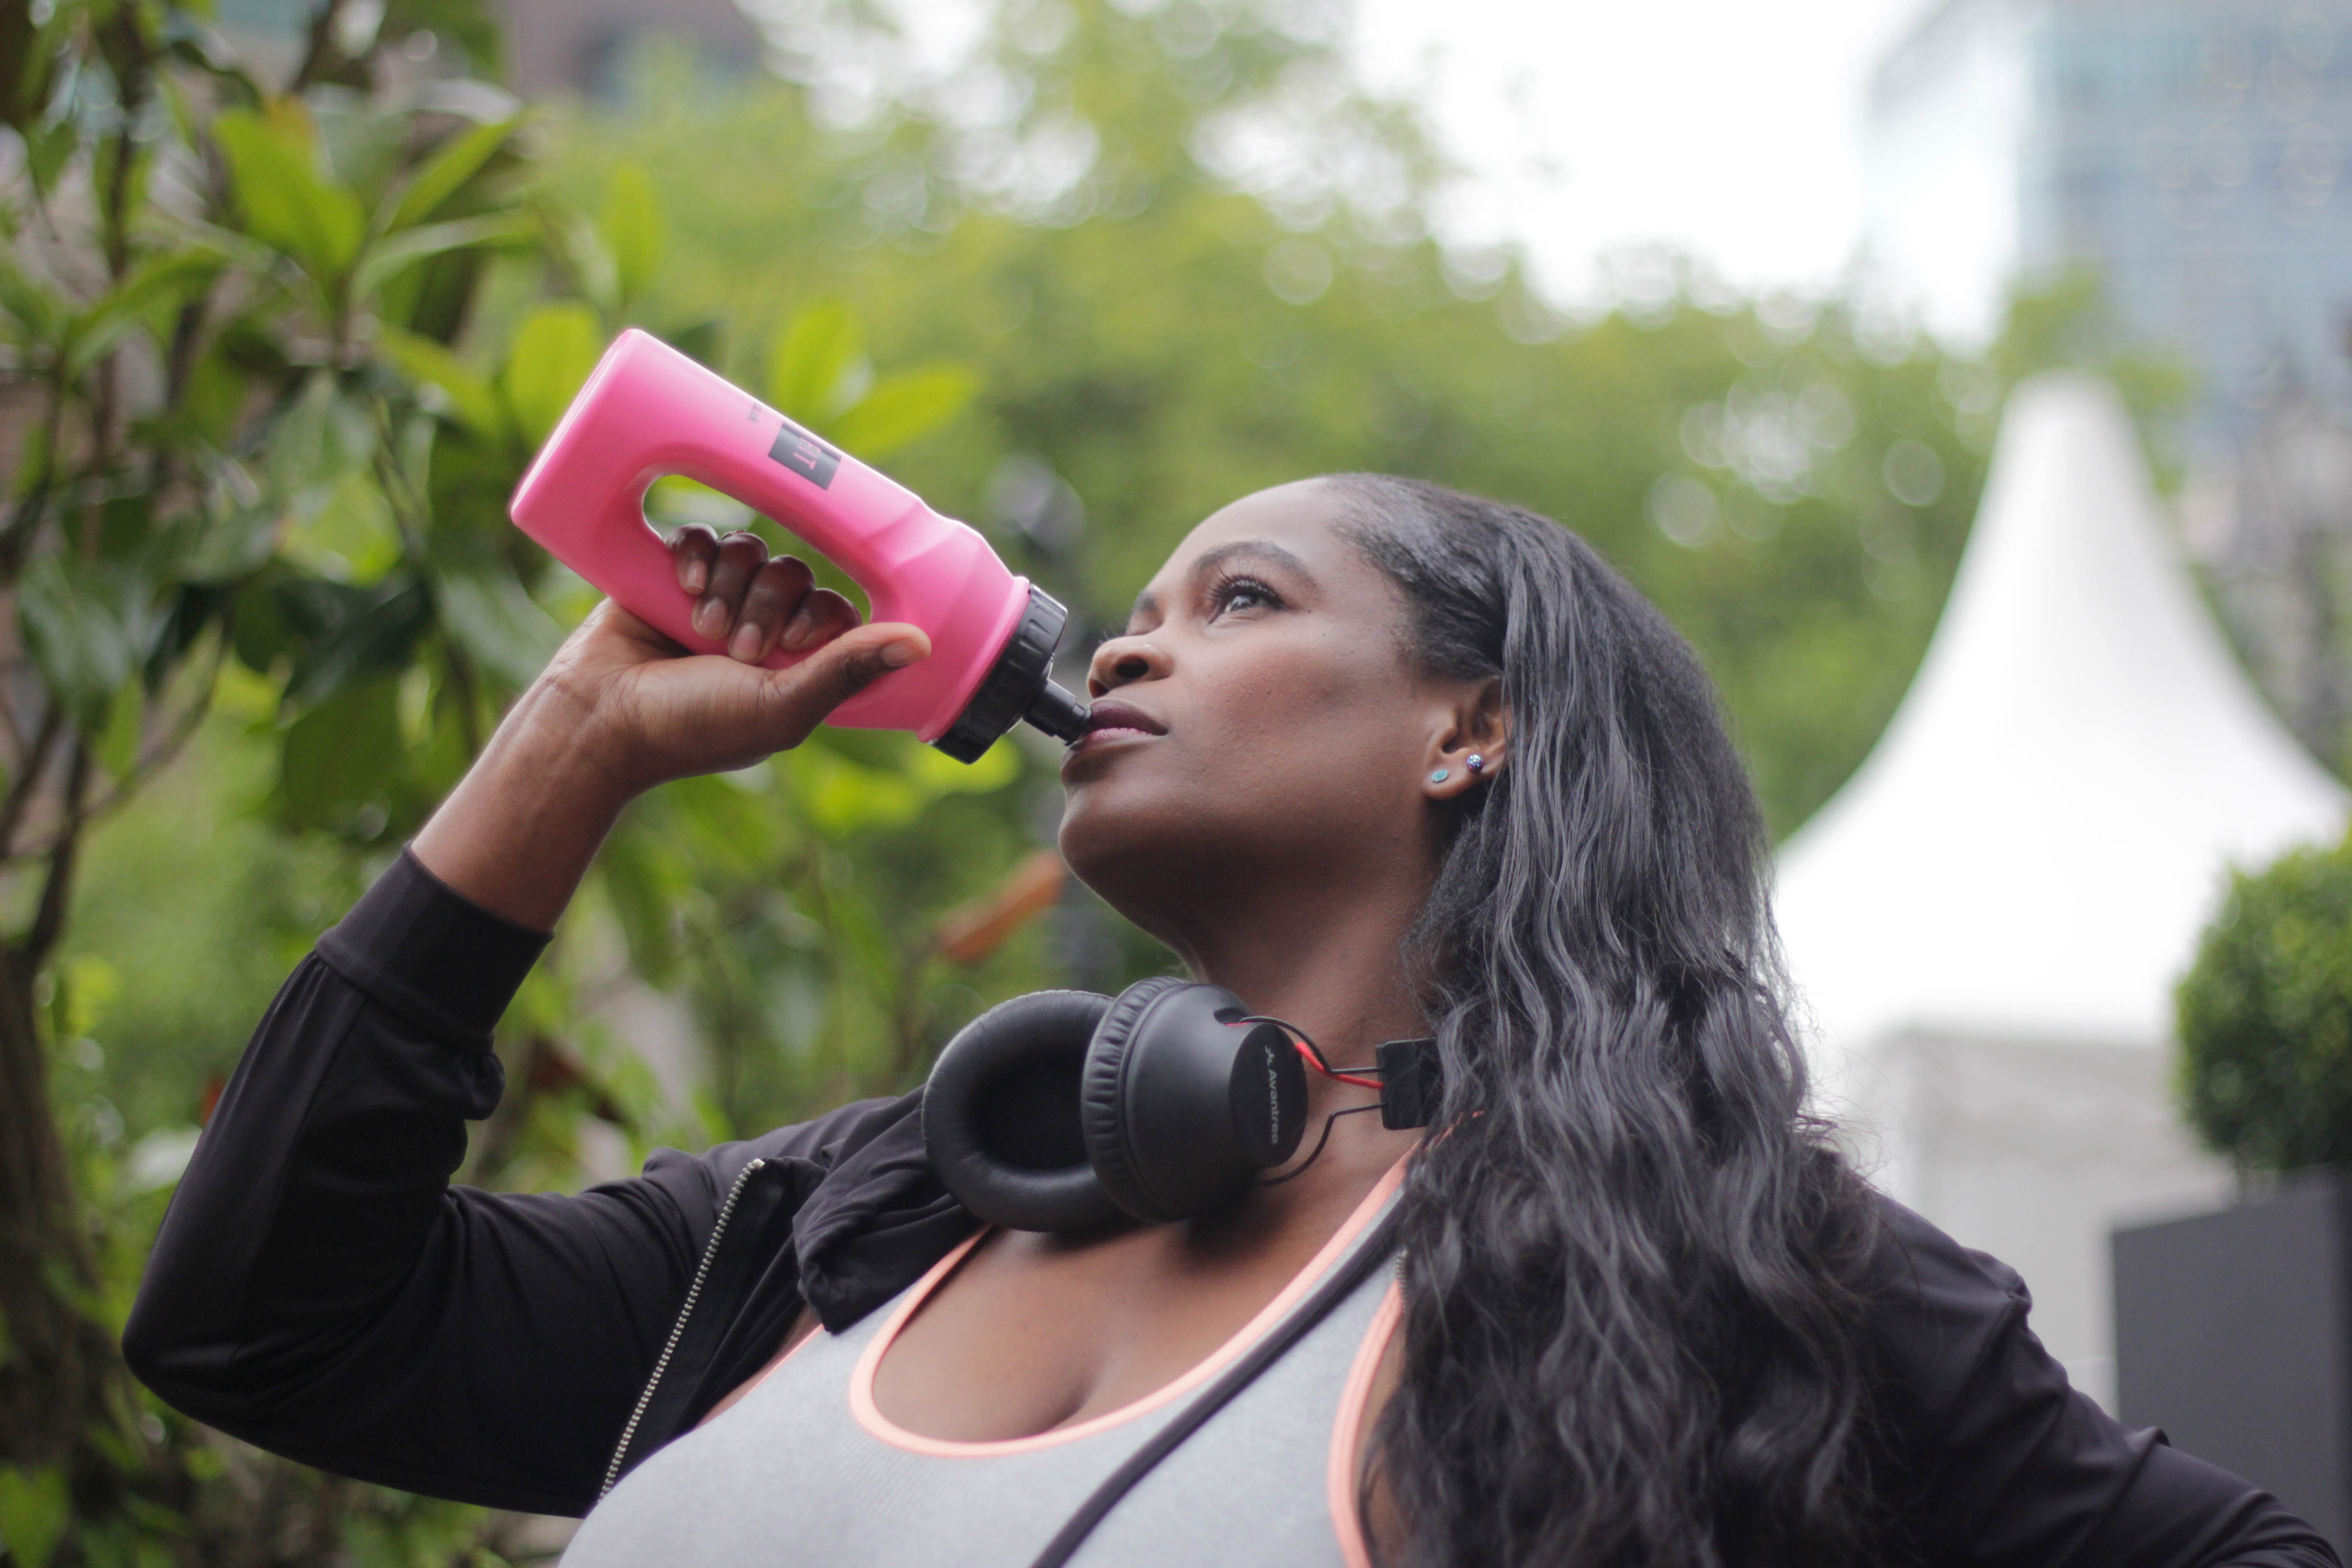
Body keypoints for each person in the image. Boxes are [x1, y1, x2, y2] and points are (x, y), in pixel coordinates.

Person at [127, 475, 2334, 1568]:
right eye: (1143, 609)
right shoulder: (857, 1222)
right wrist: (574, 745)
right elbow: (264, 1323)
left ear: (1470, 727)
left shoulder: (1729, 1275)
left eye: (1242, 602)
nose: (1128, 653)